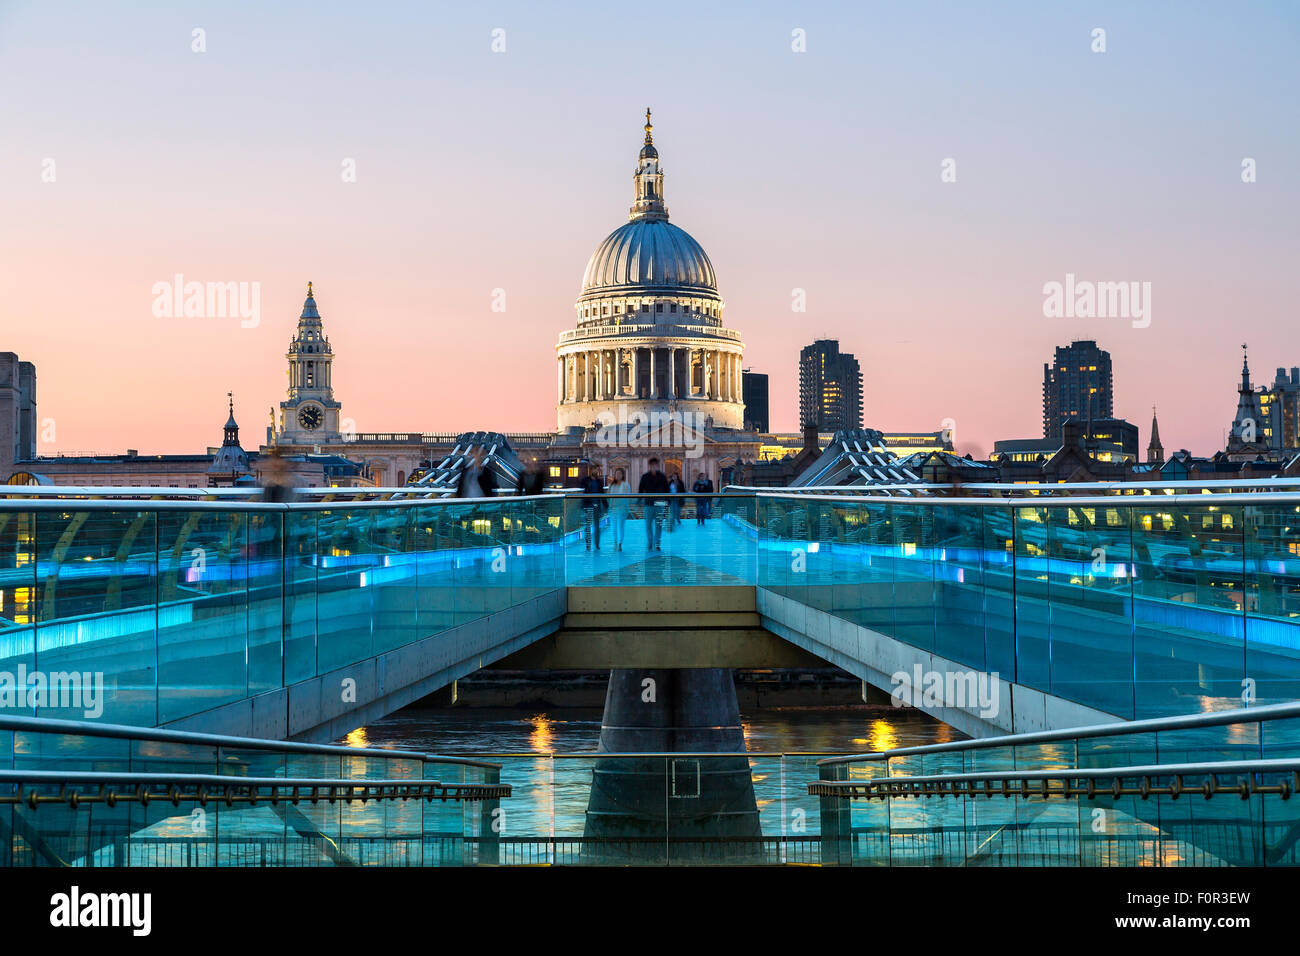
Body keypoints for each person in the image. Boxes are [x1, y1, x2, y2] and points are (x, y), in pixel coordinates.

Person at [638, 457, 669, 551]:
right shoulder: (645, 477)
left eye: (655, 465)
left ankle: (657, 543)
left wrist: (667, 502)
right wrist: (639, 500)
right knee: (648, 525)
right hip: (648, 503)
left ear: (657, 466)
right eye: (652, 465)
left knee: (658, 525)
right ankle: (650, 542)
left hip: (659, 503)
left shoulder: (662, 476)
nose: (654, 466)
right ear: (649, 466)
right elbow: (640, 489)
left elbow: (667, 490)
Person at [579, 464, 605, 550]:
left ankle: (597, 544)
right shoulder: (585, 480)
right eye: (595, 470)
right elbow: (581, 491)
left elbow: (602, 494)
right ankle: (588, 545)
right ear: (591, 470)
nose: (596, 471)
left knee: (597, 527)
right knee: (588, 526)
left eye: (597, 470)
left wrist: (606, 505)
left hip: (596, 506)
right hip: (588, 506)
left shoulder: (599, 482)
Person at [607, 467, 632, 551]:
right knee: (614, 527)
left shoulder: (626, 485)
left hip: (622, 509)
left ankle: (620, 543)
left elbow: (628, 497)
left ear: (622, 475)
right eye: (616, 474)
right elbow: (608, 496)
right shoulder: (611, 485)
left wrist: (627, 508)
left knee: (620, 526)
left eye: (619, 474)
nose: (618, 475)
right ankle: (615, 542)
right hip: (613, 508)